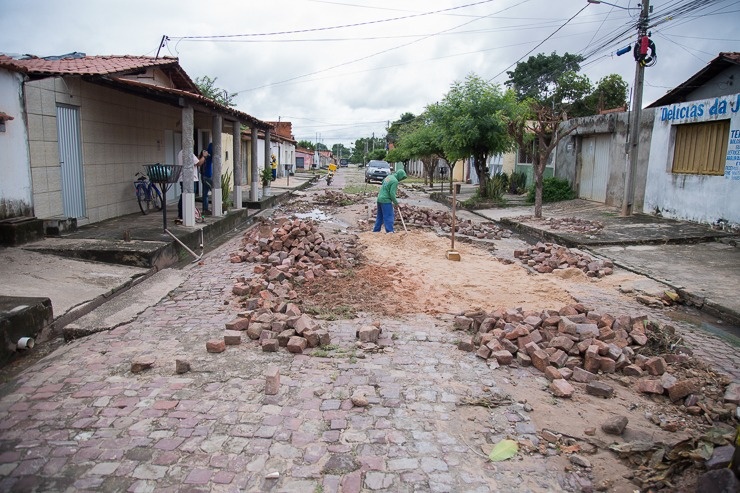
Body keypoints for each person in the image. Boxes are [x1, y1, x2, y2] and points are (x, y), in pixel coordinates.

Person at [176, 148, 207, 223]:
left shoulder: (180, 152)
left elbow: (193, 161)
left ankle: (181, 213)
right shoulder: (188, 152)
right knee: (189, 197)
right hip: (191, 179)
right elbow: (198, 163)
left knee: (183, 196)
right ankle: (186, 214)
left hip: (182, 178)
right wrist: (204, 156)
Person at [373, 167, 407, 233]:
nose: (401, 179)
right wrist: (396, 203)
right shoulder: (395, 181)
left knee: (380, 216)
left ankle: (376, 231)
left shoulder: (389, 177)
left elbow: (382, 182)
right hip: (386, 200)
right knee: (388, 216)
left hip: (379, 199)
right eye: (402, 178)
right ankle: (390, 231)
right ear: (400, 175)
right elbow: (392, 194)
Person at [201, 143, 213, 215]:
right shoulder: (208, 156)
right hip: (207, 176)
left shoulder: (204, 156)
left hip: (204, 176)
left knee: (205, 193)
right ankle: (216, 207)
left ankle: (205, 209)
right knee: (214, 190)